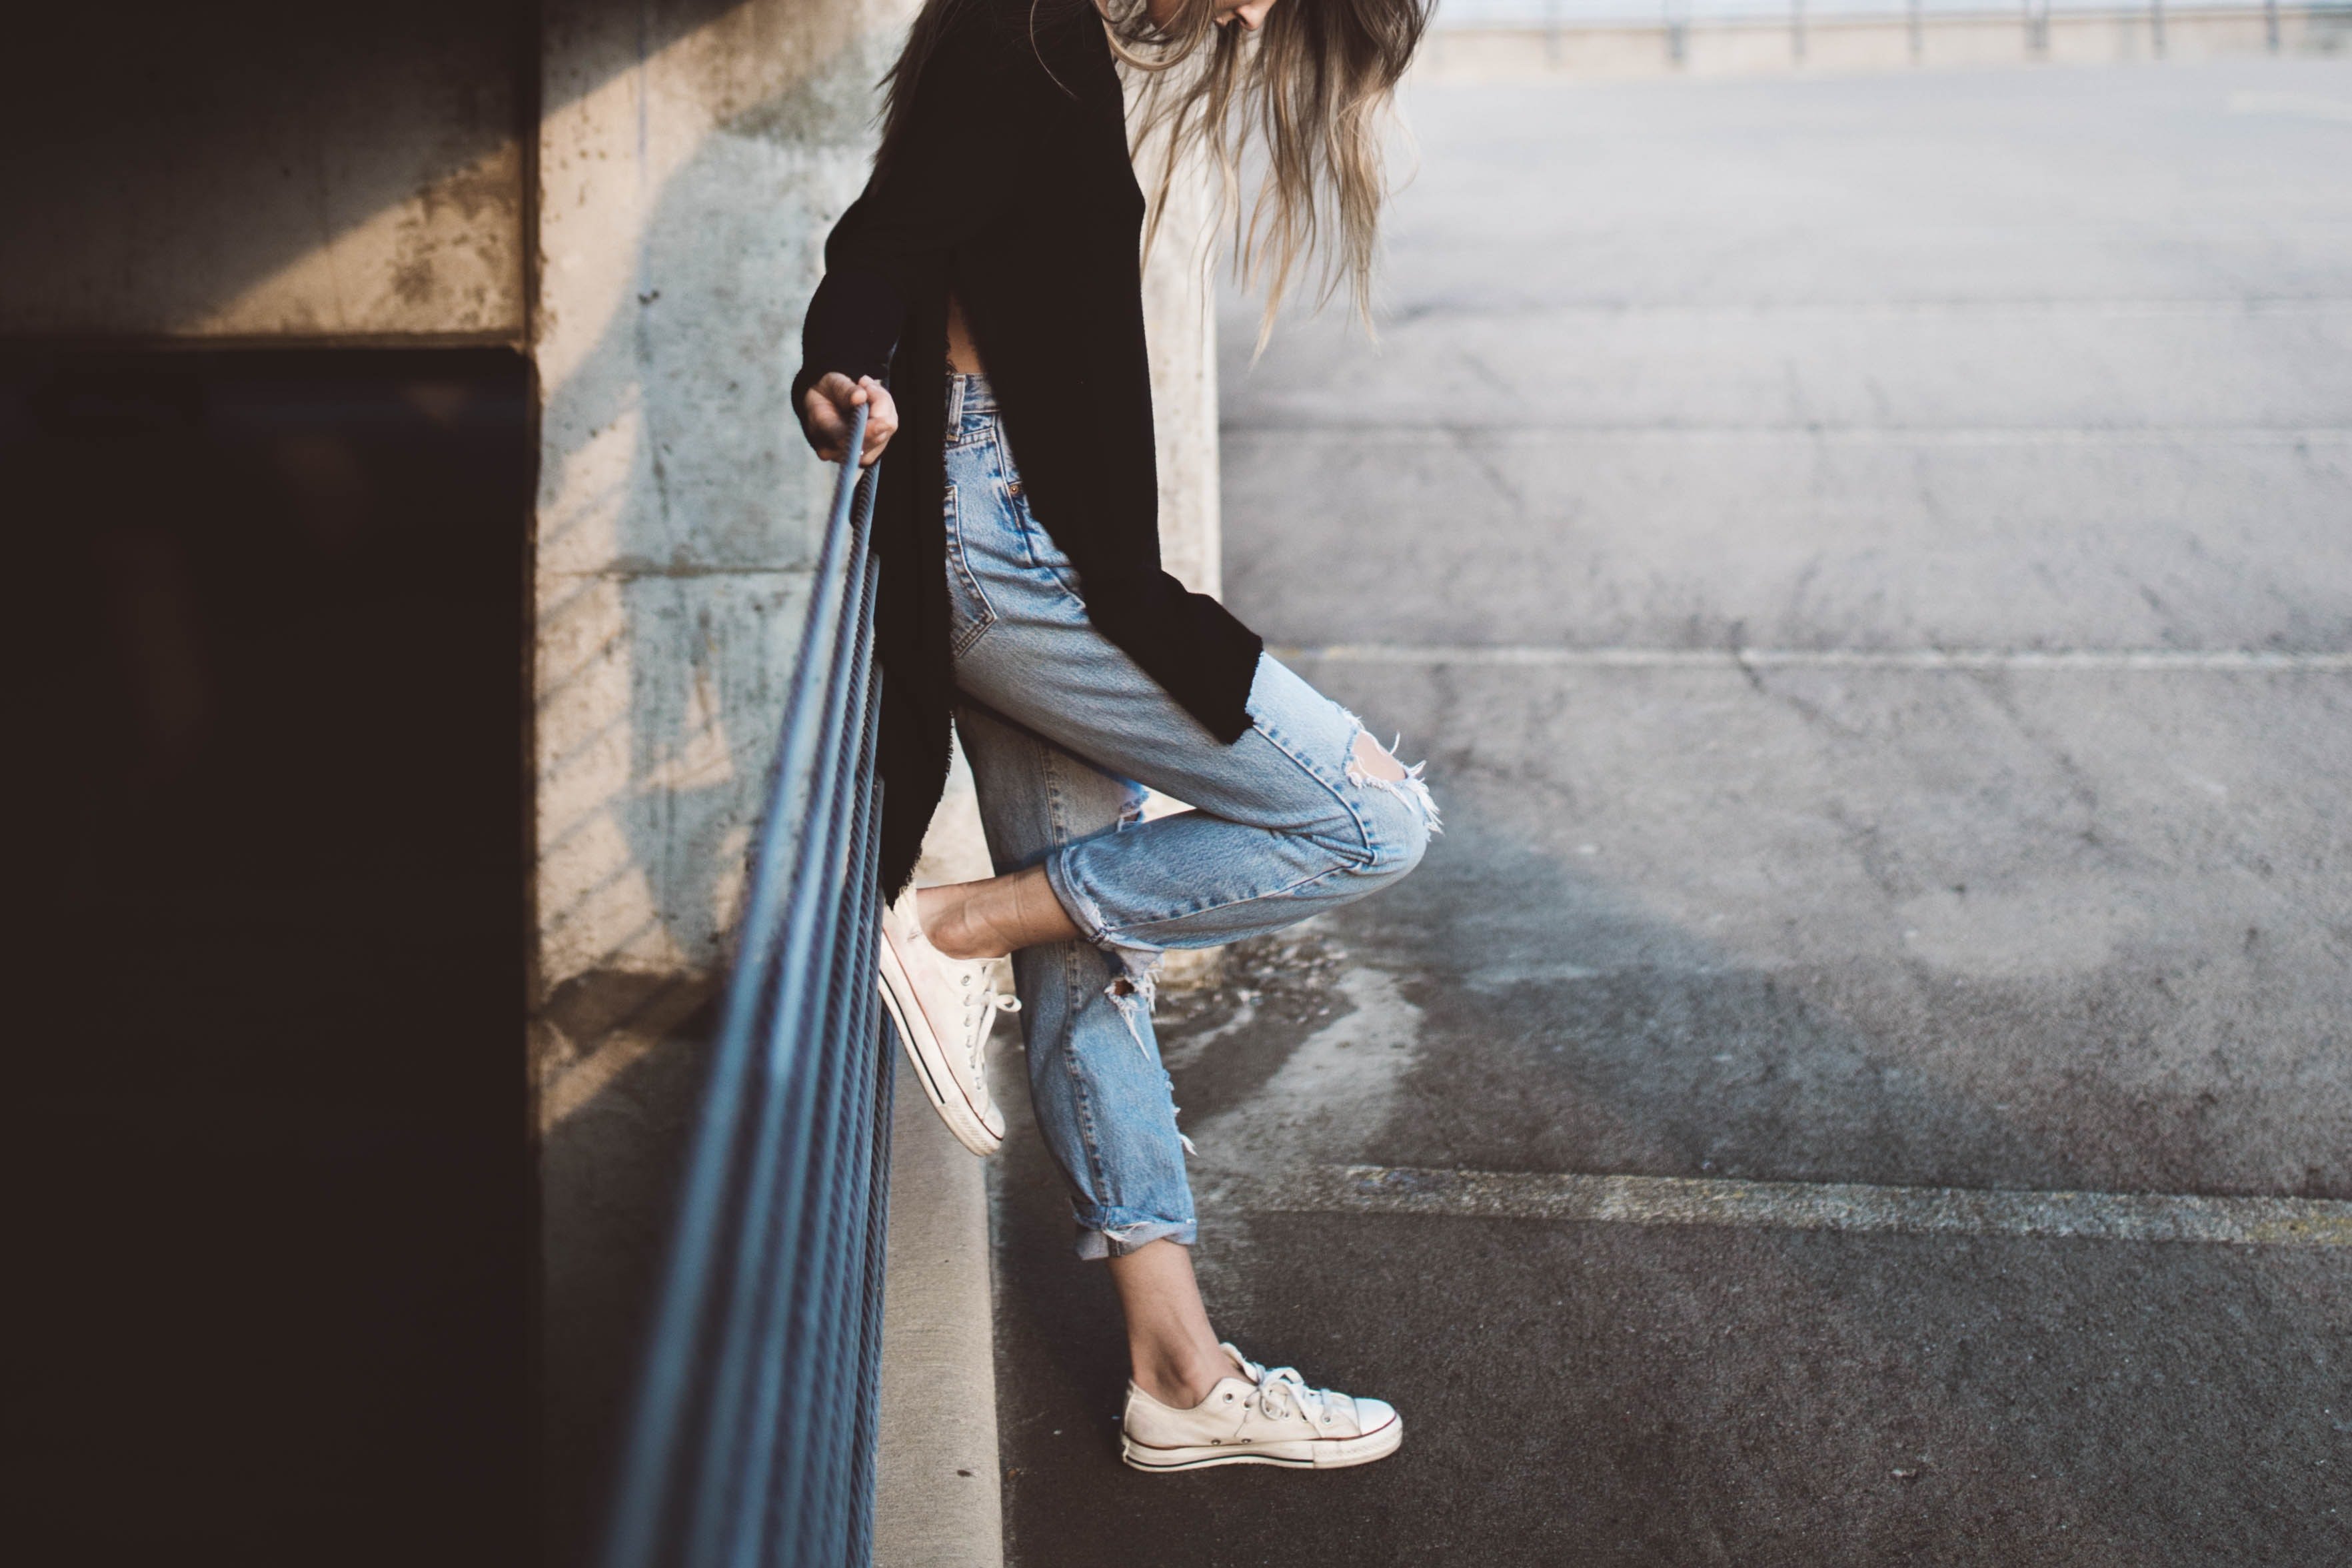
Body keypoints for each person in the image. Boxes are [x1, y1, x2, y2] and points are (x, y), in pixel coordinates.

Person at [792, 0, 1435, 1473]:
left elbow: (904, 238)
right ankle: (949, 927)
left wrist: (850, 366)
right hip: (1011, 557)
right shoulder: (1026, 27)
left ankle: (1177, 1371)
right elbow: (880, 238)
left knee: (1086, 951)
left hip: (1017, 539)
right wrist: (838, 368)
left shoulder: (1042, 34)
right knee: (1369, 816)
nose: (1252, 16)